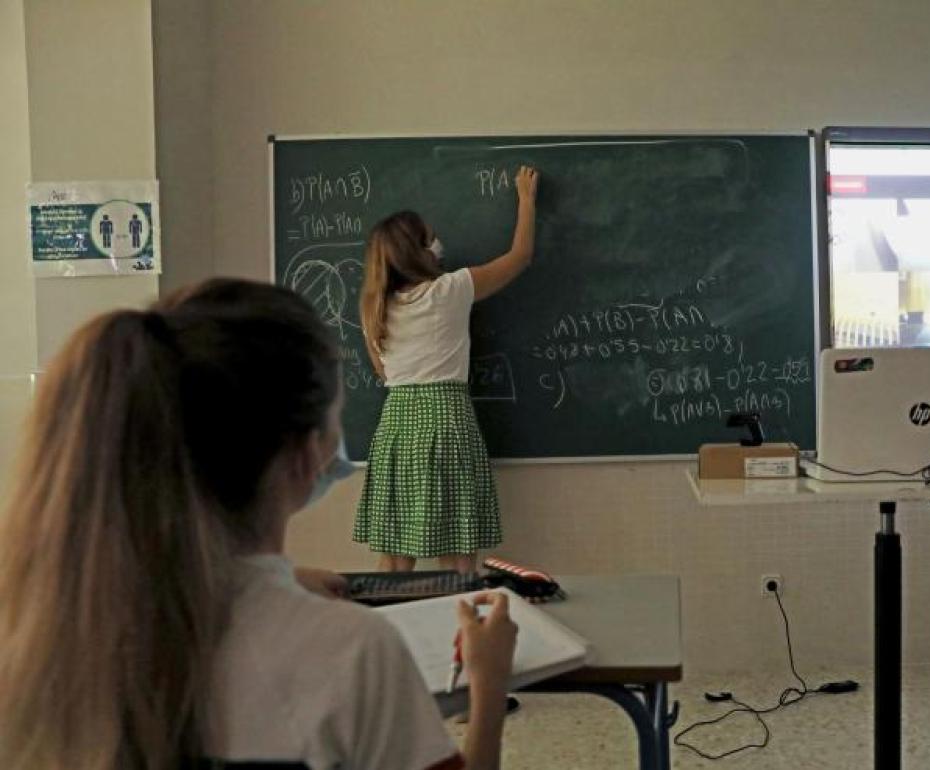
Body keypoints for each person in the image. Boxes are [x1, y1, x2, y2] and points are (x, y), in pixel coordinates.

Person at [0, 279, 517, 770]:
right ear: (302, 453)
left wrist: (271, 583)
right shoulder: (354, 651)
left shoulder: (47, 632)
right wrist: (488, 687)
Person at [354, 165, 539, 574]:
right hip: (446, 420)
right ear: (418, 250)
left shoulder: (374, 308)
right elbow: (520, 257)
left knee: (395, 557)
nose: (439, 244)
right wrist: (526, 200)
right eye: (430, 237)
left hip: (397, 427)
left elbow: (384, 374)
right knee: (457, 557)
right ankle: (462, 633)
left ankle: (394, 634)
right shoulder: (449, 290)